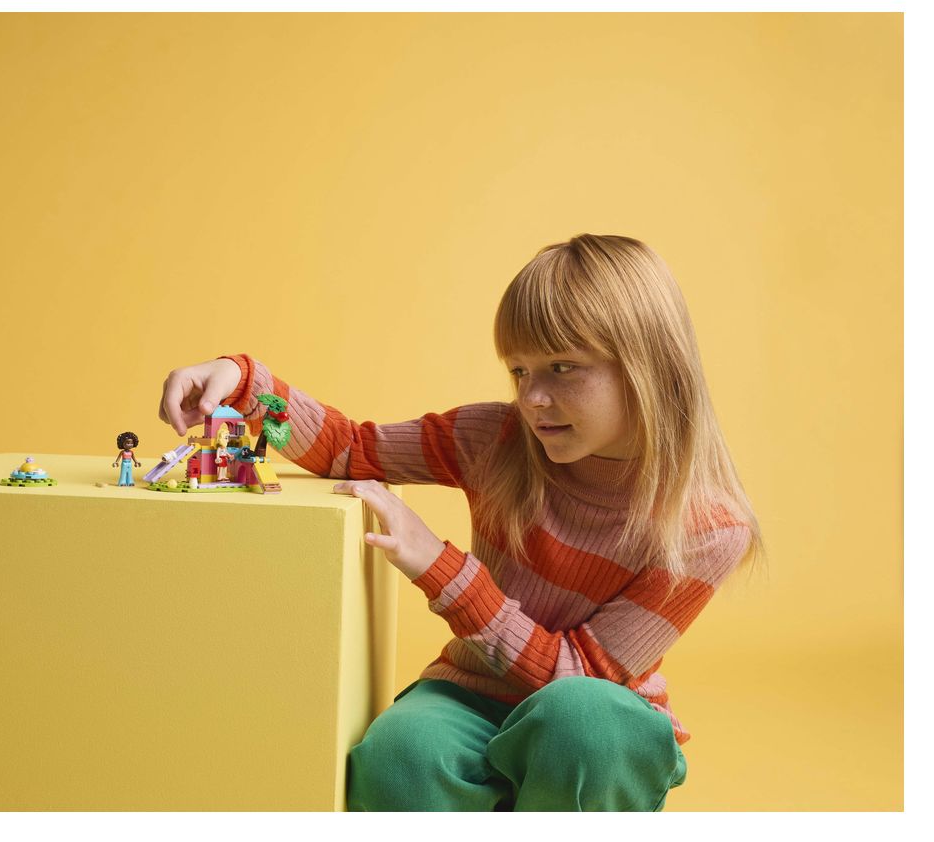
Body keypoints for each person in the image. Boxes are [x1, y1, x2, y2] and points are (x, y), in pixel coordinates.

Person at [156, 234, 763, 812]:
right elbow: (351, 449)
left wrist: (440, 568)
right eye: (519, 371)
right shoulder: (496, 438)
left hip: (592, 721)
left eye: (562, 367)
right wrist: (244, 381)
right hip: (474, 693)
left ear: (648, 366)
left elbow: (576, 676)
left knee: (583, 724)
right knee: (402, 755)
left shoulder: (709, 528)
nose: (532, 398)